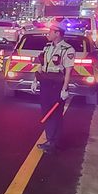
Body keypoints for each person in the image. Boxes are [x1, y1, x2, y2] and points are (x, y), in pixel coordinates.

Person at [35, 23, 75, 152]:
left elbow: (68, 71)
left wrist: (65, 88)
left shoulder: (67, 49)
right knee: (46, 112)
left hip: (57, 85)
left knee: (55, 113)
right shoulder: (47, 47)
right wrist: (35, 80)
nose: (48, 34)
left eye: (50, 31)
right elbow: (41, 65)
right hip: (45, 83)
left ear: (58, 33)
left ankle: (53, 142)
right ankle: (50, 139)